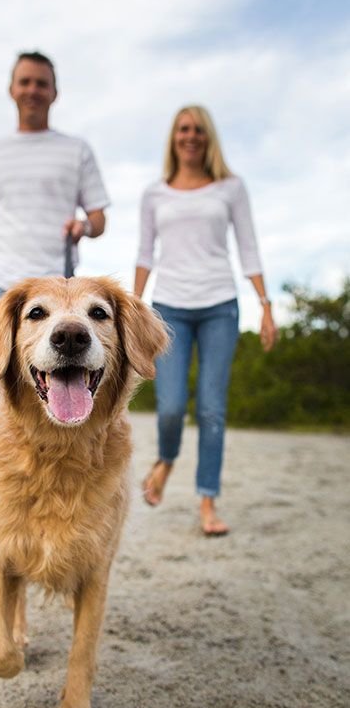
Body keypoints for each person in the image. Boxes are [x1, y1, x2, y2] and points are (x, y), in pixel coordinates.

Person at [0, 50, 109, 535]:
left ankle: (65, 507)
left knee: (69, 385)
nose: (33, 90)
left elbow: (100, 216)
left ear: (54, 93)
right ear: (12, 88)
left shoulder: (76, 149)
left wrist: (85, 225)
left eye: (42, 83)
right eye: (25, 81)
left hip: (60, 290)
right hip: (0, 286)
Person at [134, 104, 277, 536]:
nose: (190, 136)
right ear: (173, 137)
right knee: (172, 406)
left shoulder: (231, 188)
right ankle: (167, 459)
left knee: (212, 409)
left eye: (198, 129)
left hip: (220, 305)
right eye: (183, 129)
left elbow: (248, 246)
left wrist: (265, 304)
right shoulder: (154, 193)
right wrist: (133, 311)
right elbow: (144, 254)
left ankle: (208, 502)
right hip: (169, 308)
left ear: (208, 136)